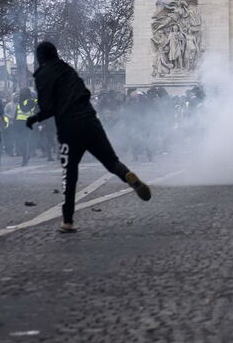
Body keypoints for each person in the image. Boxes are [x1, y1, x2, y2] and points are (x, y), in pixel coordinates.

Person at [26, 41, 151, 233]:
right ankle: (127, 175)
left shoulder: (42, 75)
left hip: (68, 129)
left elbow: (48, 107)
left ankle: (67, 221)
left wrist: (35, 117)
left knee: (70, 174)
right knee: (111, 162)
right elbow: (86, 92)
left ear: (40, 58)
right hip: (91, 122)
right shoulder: (68, 69)